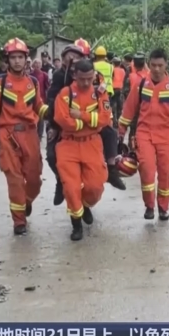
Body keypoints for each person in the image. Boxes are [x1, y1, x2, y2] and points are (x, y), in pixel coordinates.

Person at [0, 38, 48, 235]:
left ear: (26, 59)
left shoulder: (33, 82)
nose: (17, 61)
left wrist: (50, 112)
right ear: (7, 60)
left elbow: (38, 106)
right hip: (7, 135)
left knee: (34, 180)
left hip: (30, 134)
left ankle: (26, 201)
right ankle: (19, 221)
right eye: (13, 57)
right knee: (15, 179)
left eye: (20, 57)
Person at [45, 40, 126, 206]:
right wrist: (54, 124)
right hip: (63, 121)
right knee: (52, 154)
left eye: (77, 56)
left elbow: (103, 100)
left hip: (89, 120)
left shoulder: (97, 77)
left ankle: (111, 169)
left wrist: (87, 117)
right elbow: (52, 100)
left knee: (110, 132)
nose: (73, 60)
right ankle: (61, 181)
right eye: (70, 57)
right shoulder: (61, 75)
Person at [118, 48, 169, 221]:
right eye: (153, 65)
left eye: (160, 65)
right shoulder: (141, 84)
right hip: (144, 133)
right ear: (149, 64)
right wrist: (121, 132)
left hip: (166, 135)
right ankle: (149, 206)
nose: (156, 69)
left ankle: (163, 208)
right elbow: (129, 109)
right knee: (147, 172)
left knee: (165, 173)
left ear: (166, 65)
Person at [53, 59, 111, 241]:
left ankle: (86, 205)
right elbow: (63, 120)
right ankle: (76, 223)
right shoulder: (65, 94)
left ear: (93, 75)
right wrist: (87, 123)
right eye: (82, 79)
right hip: (68, 146)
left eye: (89, 78)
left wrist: (81, 116)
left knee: (95, 186)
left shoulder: (100, 92)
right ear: (74, 76)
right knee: (71, 187)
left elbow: (105, 119)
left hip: (92, 144)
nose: (86, 83)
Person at [31, 59, 50, 140]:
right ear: (33, 65)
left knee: (41, 118)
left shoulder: (44, 75)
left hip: (42, 99)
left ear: (41, 65)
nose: (37, 65)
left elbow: (47, 87)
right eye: (36, 63)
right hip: (31, 99)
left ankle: (40, 134)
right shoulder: (30, 75)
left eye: (39, 63)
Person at [111, 57, 126, 122]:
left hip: (113, 89)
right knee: (119, 106)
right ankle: (119, 120)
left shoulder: (112, 70)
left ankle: (114, 121)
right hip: (120, 89)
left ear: (113, 63)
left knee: (113, 105)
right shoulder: (123, 70)